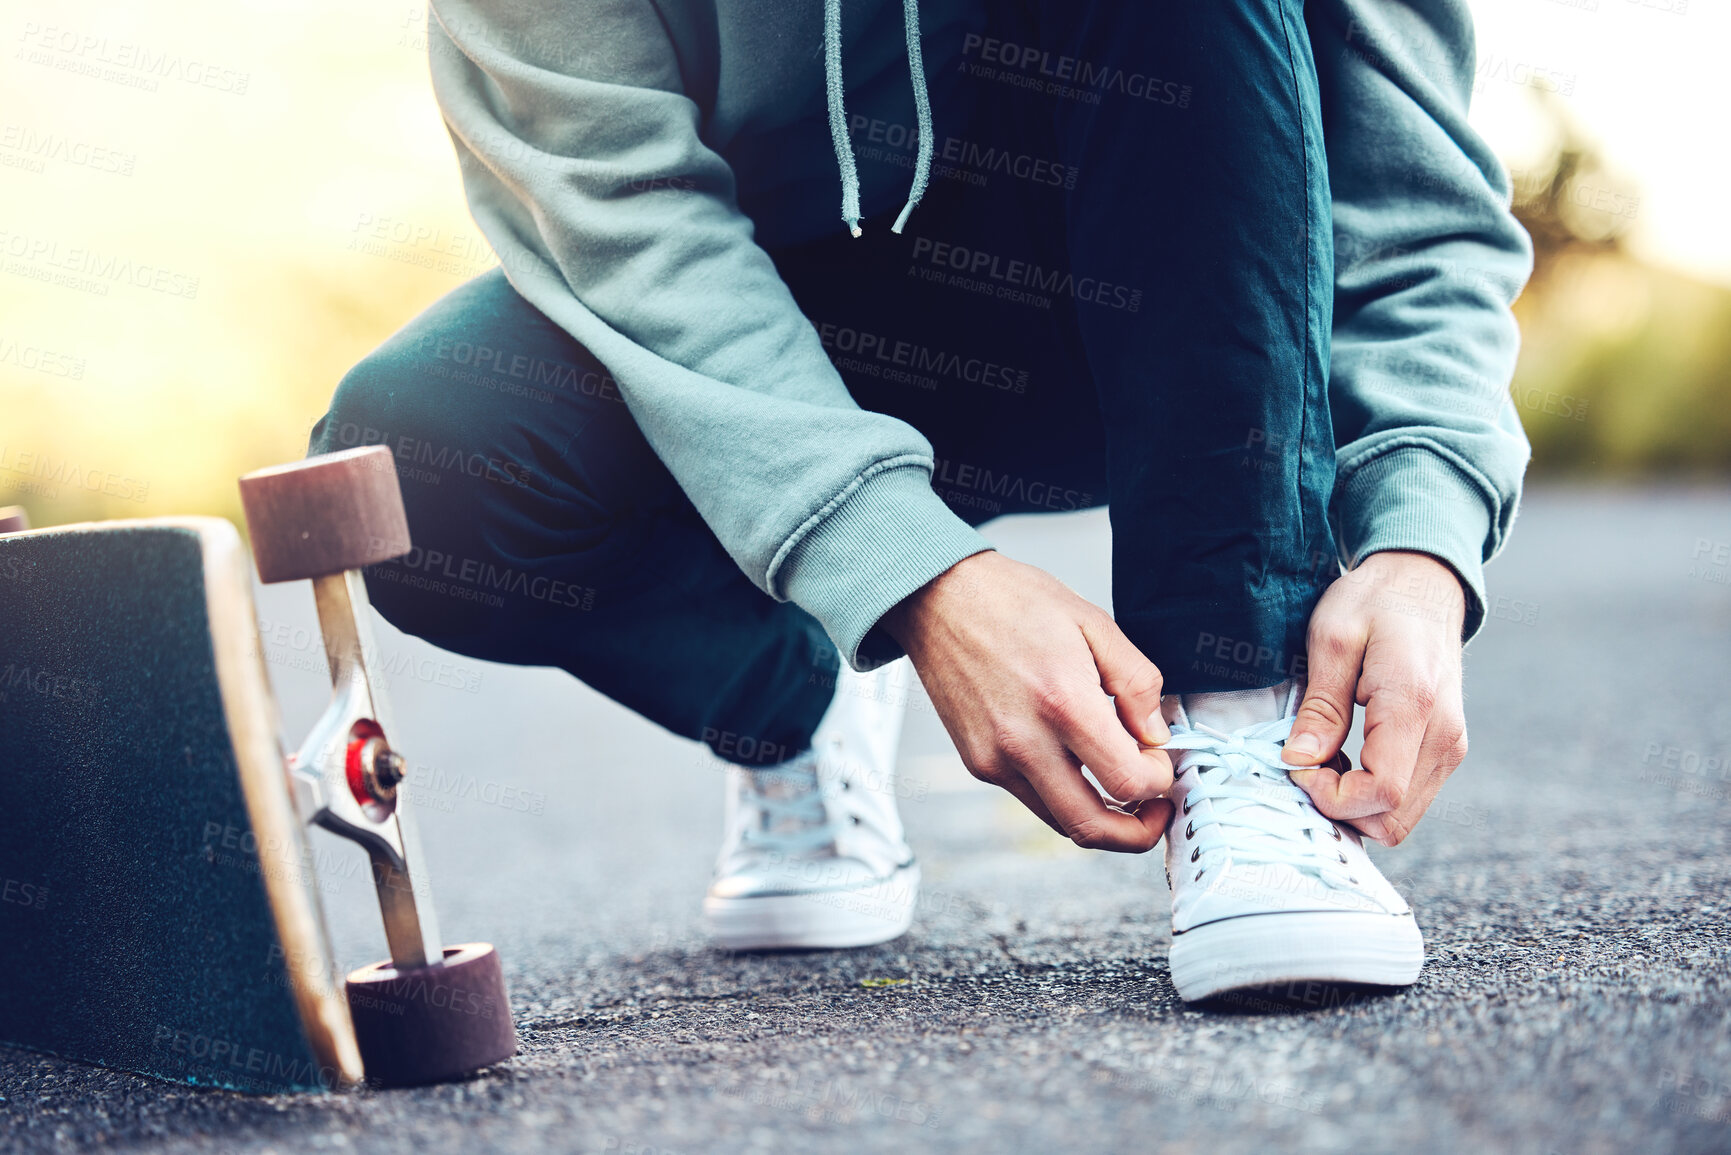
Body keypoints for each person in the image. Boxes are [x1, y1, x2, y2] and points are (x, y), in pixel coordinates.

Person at [312, 0, 1531, 1000]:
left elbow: (1409, 190)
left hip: (1146, 288)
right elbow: (620, 221)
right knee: (419, 466)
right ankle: (805, 680)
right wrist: (902, 574)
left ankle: (1245, 717)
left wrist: (1423, 537)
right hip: (765, 326)